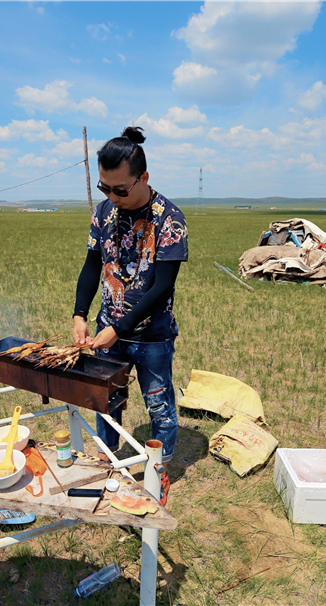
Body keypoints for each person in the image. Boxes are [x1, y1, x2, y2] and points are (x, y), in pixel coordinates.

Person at [72, 126, 188, 506]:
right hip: (109, 332)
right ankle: (109, 465)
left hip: (152, 336)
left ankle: (158, 470)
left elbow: (162, 288)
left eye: (121, 189)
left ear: (144, 179)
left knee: (158, 404)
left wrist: (117, 328)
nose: (112, 196)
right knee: (109, 402)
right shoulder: (103, 213)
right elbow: (92, 266)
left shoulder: (169, 219)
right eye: (105, 188)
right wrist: (80, 314)